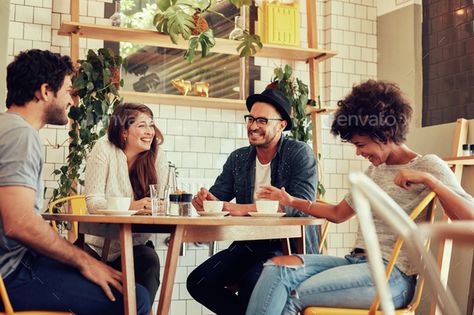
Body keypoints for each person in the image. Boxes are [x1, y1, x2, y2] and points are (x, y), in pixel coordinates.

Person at [245, 79, 474, 315]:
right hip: (356, 262)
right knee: (276, 269)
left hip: (392, 277)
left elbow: (470, 218)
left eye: (361, 144)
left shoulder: (428, 165)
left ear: (384, 134)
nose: (359, 152)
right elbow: (337, 213)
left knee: (295, 293)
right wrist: (291, 201)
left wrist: (431, 181)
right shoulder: (375, 170)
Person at [0, 49, 150, 314]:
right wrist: (84, 261)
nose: (72, 100)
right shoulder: (21, 136)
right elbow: (19, 223)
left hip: (15, 264)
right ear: (45, 91)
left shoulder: (7, 128)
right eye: (68, 91)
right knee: (133, 298)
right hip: (11, 273)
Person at [187, 88, 319, 315]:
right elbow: (219, 195)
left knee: (252, 284)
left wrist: (239, 209)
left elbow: (299, 204)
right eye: (250, 119)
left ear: (281, 125)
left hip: (287, 245)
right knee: (199, 282)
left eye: (262, 120)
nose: (253, 125)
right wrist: (206, 201)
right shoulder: (239, 158)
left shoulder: (299, 153)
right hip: (249, 244)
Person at [84, 102, 167, 303]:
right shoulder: (104, 149)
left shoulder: (157, 156)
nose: (150, 132)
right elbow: (93, 203)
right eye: (142, 126)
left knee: (149, 261)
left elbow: (161, 202)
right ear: (123, 131)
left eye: (151, 125)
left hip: (135, 244)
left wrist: (161, 207)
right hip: (99, 246)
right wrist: (134, 206)